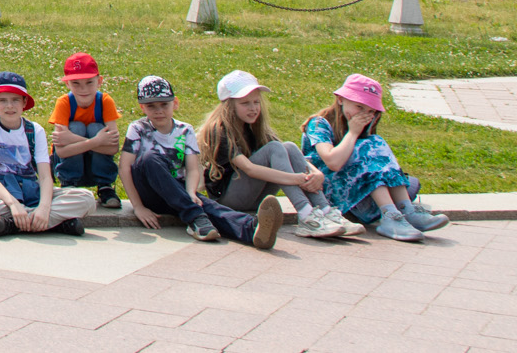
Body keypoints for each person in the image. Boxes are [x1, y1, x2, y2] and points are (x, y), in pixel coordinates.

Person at [120, 75, 278, 248]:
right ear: (142, 107)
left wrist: (191, 193)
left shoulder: (185, 130)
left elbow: (193, 168)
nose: (159, 111)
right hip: (149, 191)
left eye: (164, 104)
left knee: (208, 206)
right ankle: (196, 217)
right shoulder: (138, 128)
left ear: (175, 103)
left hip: (178, 192)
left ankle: (252, 229)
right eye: (151, 106)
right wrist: (138, 206)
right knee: (150, 158)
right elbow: (125, 168)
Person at [199, 70, 352, 240]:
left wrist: (316, 173)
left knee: (289, 147)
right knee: (275, 148)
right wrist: (295, 179)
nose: (253, 108)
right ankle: (306, 215)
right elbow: (249, 169)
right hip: (228, 199)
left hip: (252, 196)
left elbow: (286, 153)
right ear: (229, 105)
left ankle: (326, 210)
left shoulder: (254, 126)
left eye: (256, 102)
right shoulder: (219, 129)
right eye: (245, 103)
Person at [300, 73, 447, 240]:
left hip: (359, 193)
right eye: (359, 107)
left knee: (376, 143)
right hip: (330, 195)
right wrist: (353, 133)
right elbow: (332, 162)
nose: (363, 114)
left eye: (370, 111)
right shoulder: (319, 124)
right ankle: (390, 216)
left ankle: (406, 210)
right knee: (369, 144)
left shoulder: (363, 128)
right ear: (340, 99)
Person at [0, 71, 94, 236]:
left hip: (30, 190)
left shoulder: (35, 130)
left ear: (24, 102)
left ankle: (13, 223)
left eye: (15, 100)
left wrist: (44, 208)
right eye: (3, 100)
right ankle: (52, 223)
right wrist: (13, 205)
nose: (9, 106)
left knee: (86, 198)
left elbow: (45, 177)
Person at [48, 52, 121, 209]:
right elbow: (61, 151)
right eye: (76, 83)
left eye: (89, 82)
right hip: (70, 164)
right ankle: (69, 184)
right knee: (77, 127)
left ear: (99, 81)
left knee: (95, 128)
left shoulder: (105, 101)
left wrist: (74, 139)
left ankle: (105, 186)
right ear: (67, 84)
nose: (83, 89)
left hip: (96, 162)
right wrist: (97, 141)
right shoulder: (64, 103)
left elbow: (113, 147)